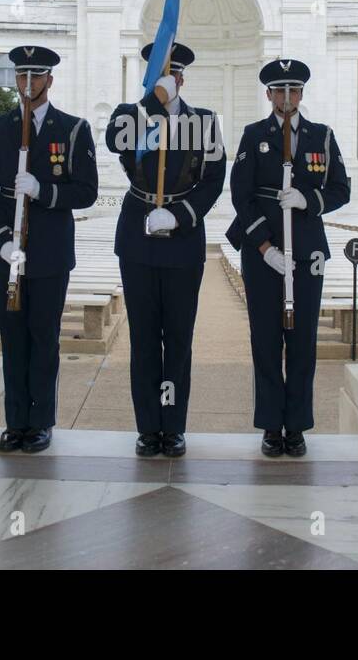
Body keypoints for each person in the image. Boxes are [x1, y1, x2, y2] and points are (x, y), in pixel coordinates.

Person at [0, 45, 98, 453]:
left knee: (44, 337)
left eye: (36, 77)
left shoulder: (73, 129)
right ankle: (15, 422)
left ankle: (41, 420)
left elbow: (87, 191)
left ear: (49, 80)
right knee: (12, 338)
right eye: (22, 77)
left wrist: (43, 190)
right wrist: (0, 241)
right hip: (5, 246)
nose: (28, 84)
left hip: (48, 248)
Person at [106, 42, 226, 457]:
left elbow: (212, 180)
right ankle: (147, 428)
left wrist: (181, 215)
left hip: (182, 237)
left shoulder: (205, 122)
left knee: (177, 340)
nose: (169, 79)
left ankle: (172, 425)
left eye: (174, 74)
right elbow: (113, 141)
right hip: (138, 237)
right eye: (161, 73)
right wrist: (151, 104)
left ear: (183, 78)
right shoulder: (131, 116)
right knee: (143, 339)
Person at [226, 59, 350, 457]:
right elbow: (241, 197)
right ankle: (270, 426)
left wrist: (308, 199)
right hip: (263, 254)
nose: (286, 97)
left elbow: (340, 189)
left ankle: (295, 427)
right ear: (268, 95)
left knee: (302, 341)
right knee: (265, 339)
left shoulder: (322, 137)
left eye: (292, 90)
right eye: (278, 91)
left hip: (308, 249)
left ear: (301, 94)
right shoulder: (253, 135)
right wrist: (264, 248)